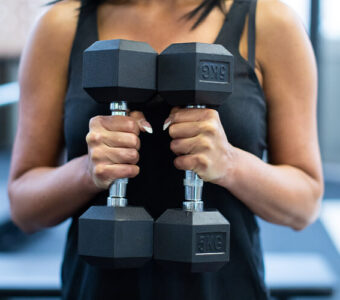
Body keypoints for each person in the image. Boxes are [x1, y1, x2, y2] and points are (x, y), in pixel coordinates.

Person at [8, 0, 323, 299]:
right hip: (98, 291)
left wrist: (230, 164)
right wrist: (87, 170)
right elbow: (24, 206)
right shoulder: (60, 26)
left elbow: (304, 204)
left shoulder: (270, 22)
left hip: (227, 290)